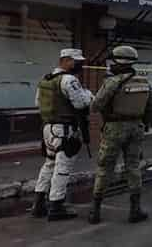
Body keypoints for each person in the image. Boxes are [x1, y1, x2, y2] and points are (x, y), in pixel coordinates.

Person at [89, 45, 152, 225]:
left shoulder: (112, 81)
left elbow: (96, 106)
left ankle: (95, 210)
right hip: (136, 127)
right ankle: (135, 210)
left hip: (114, 127)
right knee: (133, 167)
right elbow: (150, 109)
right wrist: (145, 126)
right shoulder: (144, 82)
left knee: (105, 167)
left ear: (117, 60)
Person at [32, 49, 93, 221]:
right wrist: (88, 94)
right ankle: (56, 205)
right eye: (76, 61)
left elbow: (37, 102)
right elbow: (81, 103)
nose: (80, 65)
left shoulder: (46, 79)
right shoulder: (69, 79)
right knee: (62, 166)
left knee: (49, 164)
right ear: (65, 60)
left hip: (47, 128)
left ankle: (38, 204)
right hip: (64, 128)